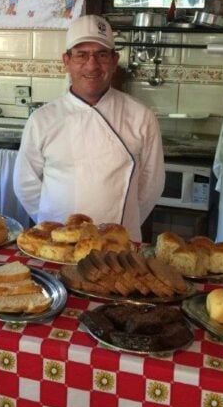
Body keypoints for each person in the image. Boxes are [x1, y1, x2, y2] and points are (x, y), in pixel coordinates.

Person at [13, 14, 165, 241]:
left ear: (114, 61)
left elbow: (151, 185)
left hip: (117, 246)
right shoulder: (42, 120)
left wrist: (125, 223)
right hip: (57, 244)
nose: (92, 65)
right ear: (66, 61)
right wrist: (55, 228)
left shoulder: (141, 117)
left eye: (101, 55)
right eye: (81, 55)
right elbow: (25, 184)